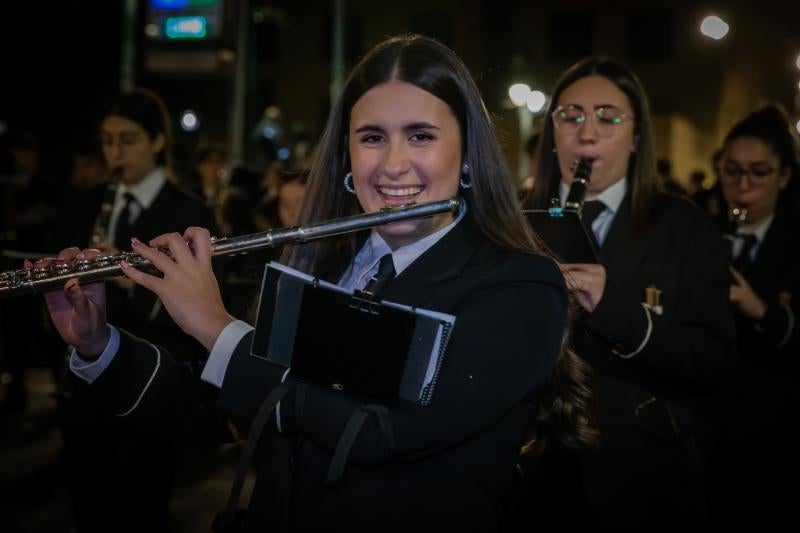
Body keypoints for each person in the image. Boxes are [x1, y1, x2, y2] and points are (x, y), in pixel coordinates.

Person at [37, 35, 594, 532]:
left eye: (421, 136)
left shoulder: (519, 286)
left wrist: (214, 325)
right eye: (372, 137)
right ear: (347, 154)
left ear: (468, 157)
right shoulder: (321, 267)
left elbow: (379, 433)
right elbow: (219, 411)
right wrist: (98, 344)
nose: (393, 165)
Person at [521, 57, 736, 530]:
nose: (587, 133)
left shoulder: (684, 227)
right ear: (551, 131)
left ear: (637, 137)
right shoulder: (514, 219)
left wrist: (616, 308)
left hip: (640, 478)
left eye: (609, 117)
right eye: (570, 116)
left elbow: (713, 357)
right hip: (528, 470)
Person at [48, 88, 217, 533]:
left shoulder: (190, 212)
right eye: (107, 140)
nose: (114, 152)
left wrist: (126, 275)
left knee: (142, 510)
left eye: (128, 140)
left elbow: (200, 313)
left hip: (153, 388)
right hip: (84, 389)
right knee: (89, 507)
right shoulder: (81, 204)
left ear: (158, 141)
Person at [711, 105, 799, 527]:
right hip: (708, 430)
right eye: (732, 172)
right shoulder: (701, 231)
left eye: (759, 173)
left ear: (783, 176)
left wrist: (761, 311)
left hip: (774, 433)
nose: (743, 187)